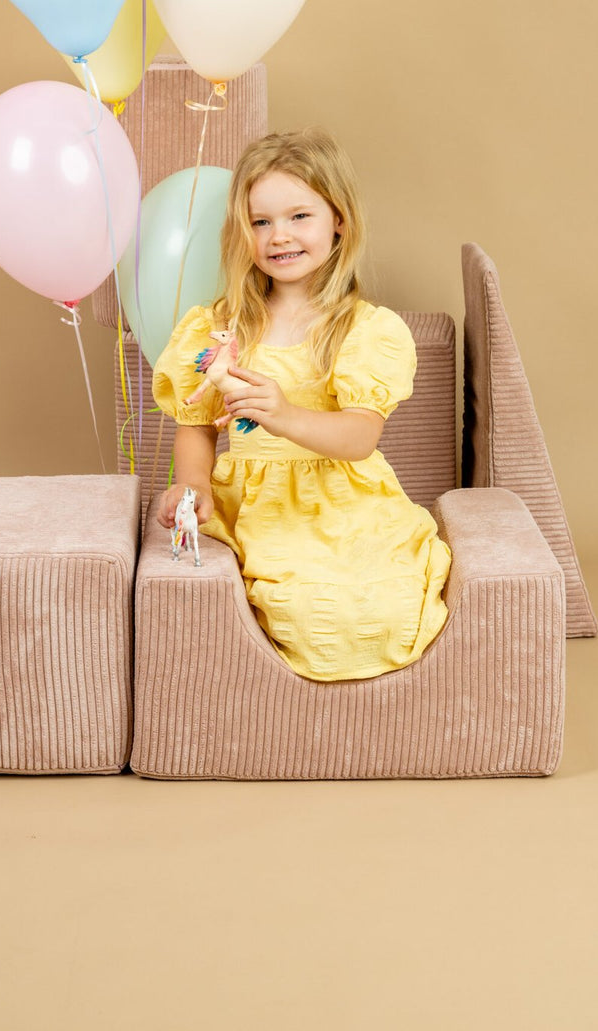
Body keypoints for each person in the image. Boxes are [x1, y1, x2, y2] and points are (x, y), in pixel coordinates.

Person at [152, 128, 452, 681]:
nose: (277, 237)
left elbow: (360, 436)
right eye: (260, 222)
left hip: (340, 502)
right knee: (301, 610)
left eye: (298, 217)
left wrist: (284, 413)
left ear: (338, 219)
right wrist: (192, 485)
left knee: (370, 609)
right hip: (254, 504)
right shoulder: (218, 326)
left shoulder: (362, 328)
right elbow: (196, 425)